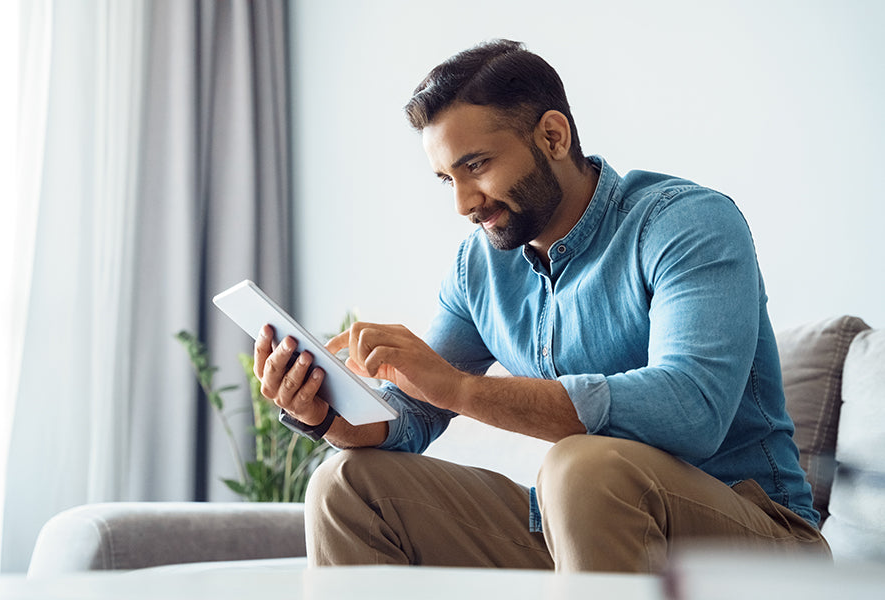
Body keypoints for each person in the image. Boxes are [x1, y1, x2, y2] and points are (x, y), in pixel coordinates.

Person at [253, 39, 830, 573]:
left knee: (582, 466)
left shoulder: (684, 222)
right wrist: (324, 410)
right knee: (348, 486)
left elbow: (691, 411)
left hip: (757, 536)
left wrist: (459, 388)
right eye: (444, 178)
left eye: (476, 166)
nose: (461, 203)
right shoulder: (480, 266)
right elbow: (411, 420)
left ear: (553, 136)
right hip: (581, 526)